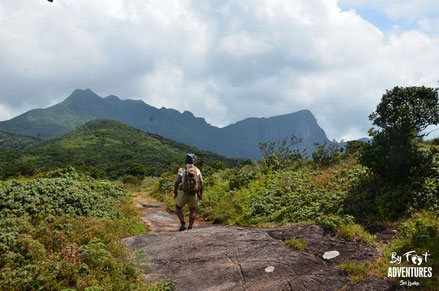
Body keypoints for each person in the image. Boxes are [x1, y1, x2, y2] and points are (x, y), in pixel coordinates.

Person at [173, 153, 204, 231]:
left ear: (186, 161)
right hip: (194, 193)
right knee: (193, 210)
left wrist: (175, 192)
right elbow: (201, 183)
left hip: (183, 192)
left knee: (178, 207)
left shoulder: (182, 169)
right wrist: (200, 194)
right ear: (193, 161)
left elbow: (176, 182)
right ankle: (190, 227)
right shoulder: (197, 170)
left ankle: (183, 223)